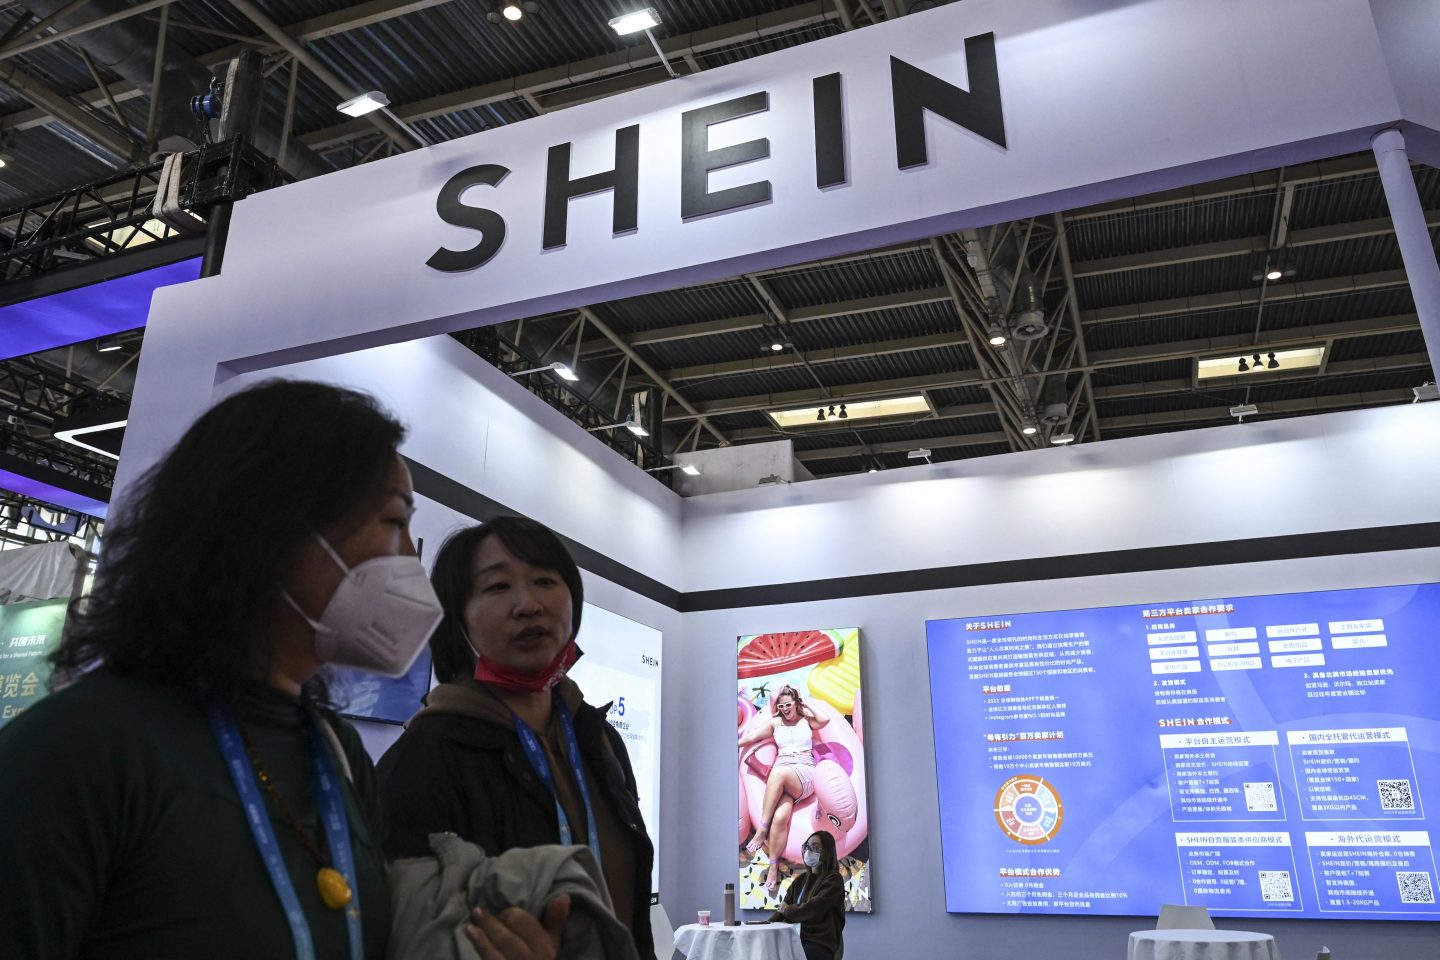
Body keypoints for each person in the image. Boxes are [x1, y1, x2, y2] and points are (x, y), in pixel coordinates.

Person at [0, 379, 563, 960]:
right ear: (276, 523)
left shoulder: (335, 752)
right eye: (394, 523)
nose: (407, 561)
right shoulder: (75, 752)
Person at [377, 516, 656, 960]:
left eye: (545, 580)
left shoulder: (598, 740)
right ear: (457, 617)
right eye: (497, 587)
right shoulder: (426, 756)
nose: (528, 604)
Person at [739, 684, 830, 891]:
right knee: (780, 818)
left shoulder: (807, 720)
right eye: (782, 706)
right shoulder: (775, 723)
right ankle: (773, 867)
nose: (786, 709)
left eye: (789, 704)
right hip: (784, 781)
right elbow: (753, 737)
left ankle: (761, 831)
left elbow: (825, 720)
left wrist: (805, 704)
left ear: (796, 703)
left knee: (778, 773)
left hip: (803, 775)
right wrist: (732, 744)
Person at [767, 831, 845, 960]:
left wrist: (788, 910)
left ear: (827, 851)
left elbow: (813, 908)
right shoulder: (800, 880)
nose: (809, 851)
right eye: (807, 847)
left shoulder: (834, 879)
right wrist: (764, 925)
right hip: (794, 938)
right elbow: (781, 910)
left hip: (818, 944)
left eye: (815, 847)